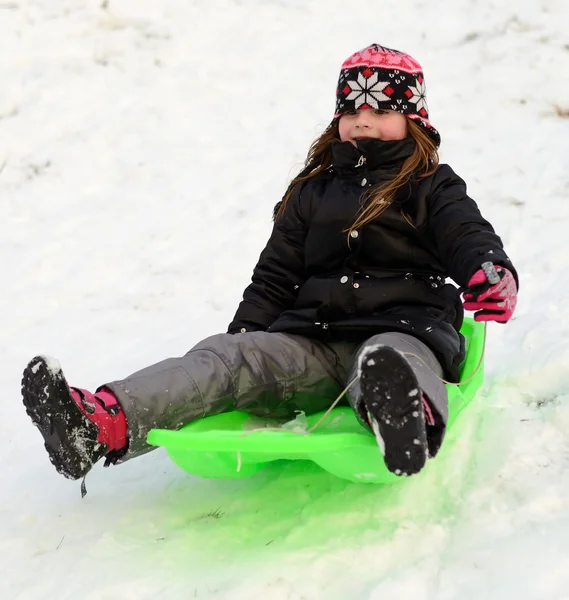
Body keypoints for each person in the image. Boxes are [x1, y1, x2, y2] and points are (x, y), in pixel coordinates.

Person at [22, 43, 518, 482]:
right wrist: (243, 345)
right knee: (224, 357)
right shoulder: (311, 193)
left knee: (388, 361)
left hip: (403, 331)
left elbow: (468, 235)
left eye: (383, 108)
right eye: (352, 108)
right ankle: (100, 425)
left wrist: (491, 272)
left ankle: (406, 419)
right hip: (313, 343)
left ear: (414, 121)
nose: (364, 118)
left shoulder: (433, 186)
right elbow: (274, 280)